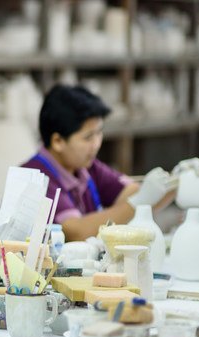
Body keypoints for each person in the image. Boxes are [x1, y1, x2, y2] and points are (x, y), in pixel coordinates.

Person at [22, 85, 176, 241]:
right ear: (58, 141)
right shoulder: (34, 177)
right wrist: (140, 201)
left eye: (99, 132)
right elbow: (75, 231)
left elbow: (133, 193)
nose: (96, 144)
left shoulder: (86, 168)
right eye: (88, 137)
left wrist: (178, 179)